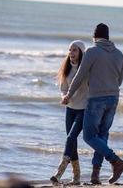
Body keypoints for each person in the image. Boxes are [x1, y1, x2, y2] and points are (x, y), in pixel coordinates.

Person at [62, 23, 123, 184]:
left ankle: (116, 161)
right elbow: (119, 81)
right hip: (113, 99)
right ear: (107, 37)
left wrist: (69, 94)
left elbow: (79, 76)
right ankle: (95, 175)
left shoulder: (92, 51)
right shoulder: (120, 55)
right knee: (102, 135)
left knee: (89, 136)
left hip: (96, 99)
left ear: (94, 37)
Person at [50, 40, 88, 185]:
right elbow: (63, 89)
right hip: (70, 109)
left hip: (83, 109)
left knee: (70, 138)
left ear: (81, 53)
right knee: (72, 142)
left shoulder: (86, 69)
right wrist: (64, 97)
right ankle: (77, 177)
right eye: (70, 50)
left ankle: (59, 173)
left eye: (75, 50)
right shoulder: (66, 68)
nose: (71, 53)